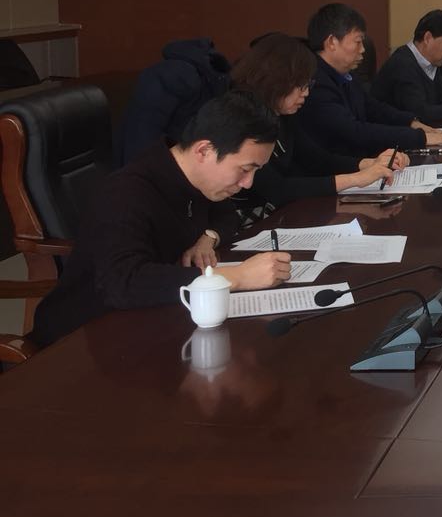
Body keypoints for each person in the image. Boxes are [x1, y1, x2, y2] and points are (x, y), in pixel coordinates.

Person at [30, 92, 292, 347]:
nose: (248, 183)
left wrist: (208, 238)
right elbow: (124, 283)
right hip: (83, 339)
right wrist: (235, 277)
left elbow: (225, 214)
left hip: (156, 318)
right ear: (204, 150)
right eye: (244, 169)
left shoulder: (195, 178)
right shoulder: (126, 193)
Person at [230, 33, 403, 208]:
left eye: (308, 85)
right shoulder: (242, 118)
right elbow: (277, 189)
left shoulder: (283, 114)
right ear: (277, 80)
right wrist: (355, 179)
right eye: (301, 86)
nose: (306, 93)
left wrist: (369, 164)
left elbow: (317, 159)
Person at [296, 3, 442, 159]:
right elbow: (354, 132)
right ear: (332, 42)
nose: (363, 49)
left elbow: (372, 108)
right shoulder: (316, 83)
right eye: (358, 42)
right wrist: (420, 137)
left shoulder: (345, 74)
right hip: (339, 169)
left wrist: (411, 123)